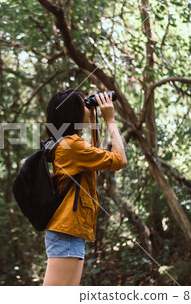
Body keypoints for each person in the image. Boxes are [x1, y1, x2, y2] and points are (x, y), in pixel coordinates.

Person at [43, 88, 128, 286]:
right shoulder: (72, 146)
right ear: (73, 112)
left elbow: (96, 157)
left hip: (71, 233)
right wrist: (110, 120)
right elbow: (120, 160)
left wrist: (94, 121)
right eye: (84, 104)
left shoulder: (69, 144)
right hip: (67, 233)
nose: (88, 106)